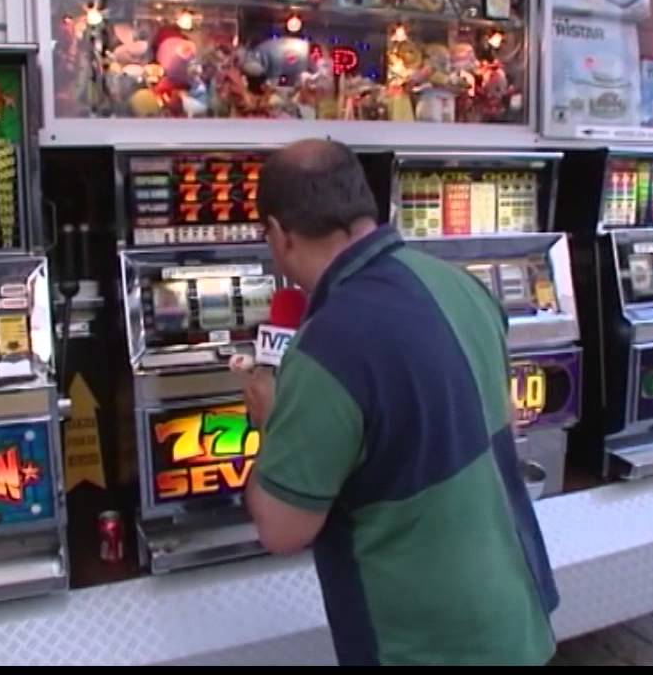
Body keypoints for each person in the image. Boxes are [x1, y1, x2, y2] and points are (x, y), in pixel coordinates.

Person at [235, 139, 558, 665]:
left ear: (278, 234)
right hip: (517, 615)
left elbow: (282, 529)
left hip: (426, 645)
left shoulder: (326, 347)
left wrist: (271, 423)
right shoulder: (461, 285)